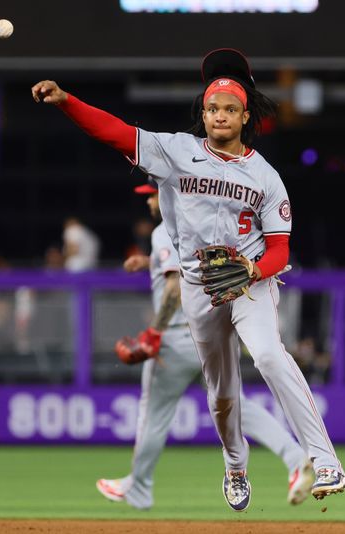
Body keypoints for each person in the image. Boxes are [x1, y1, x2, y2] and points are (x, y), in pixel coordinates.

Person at [32, 48, 345, 511]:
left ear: (245, 116)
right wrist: (66, 101)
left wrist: (254, 272)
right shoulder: (177, 150)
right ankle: (236, 465)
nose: (221, 116)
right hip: (201, 284)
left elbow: (280, 250)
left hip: (250, 281)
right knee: (221, 396)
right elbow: (115, 133)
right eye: (213, 108)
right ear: (204, 114)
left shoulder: (266, 177)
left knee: (268, 355)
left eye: (230, 109)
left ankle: (325, 461)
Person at [96, 181, 314, 510]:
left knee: (152, 413)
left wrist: (154, 333)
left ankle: (139, 486)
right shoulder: (203, 225)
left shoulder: (162, 231)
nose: (150, 202)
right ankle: (296, 457)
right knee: (234, 406)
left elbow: (173, 289)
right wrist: (151, 261)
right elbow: (185, 269)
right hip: (213, 334)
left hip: (176, 338)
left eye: (154, 195)